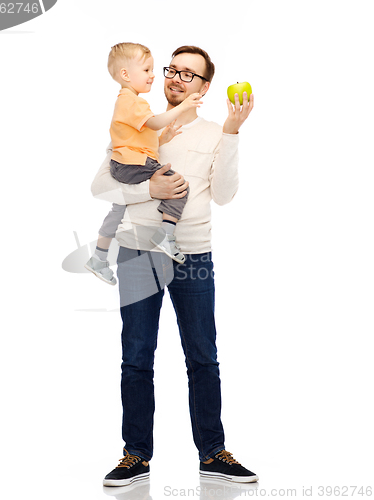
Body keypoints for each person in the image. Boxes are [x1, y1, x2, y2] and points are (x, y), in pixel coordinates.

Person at [90, 45, 257, 486]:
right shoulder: (138, 125)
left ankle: (213, 453)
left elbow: (223, 195)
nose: (177, 78)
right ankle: (135, 456)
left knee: (203, 357)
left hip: (193, 255)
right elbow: (100, 186)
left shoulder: (213, 134)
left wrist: (233, 132)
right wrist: (152, 190)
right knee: (137, 357)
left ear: (203, 88)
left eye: (190, 74)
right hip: (138, 252)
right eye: (172, 69)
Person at [85, 43, 203, 285]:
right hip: (133, 164)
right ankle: (166, 234)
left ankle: (98, 257)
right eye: (147, 70)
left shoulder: (127, 101)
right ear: (126, 75)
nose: (152, 75)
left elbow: (140, 140)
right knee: (178, 186)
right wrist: (184, 106)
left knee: (118, 210)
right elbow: (155, 122)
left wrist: (163, 140)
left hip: (124, 164)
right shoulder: (133, 102)